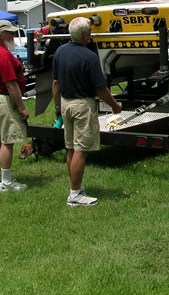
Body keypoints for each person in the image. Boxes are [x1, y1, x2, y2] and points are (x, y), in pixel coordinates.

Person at [52, 16, 122, 207]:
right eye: (90, 31)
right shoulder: (89, 57)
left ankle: (76, 186)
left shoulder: (60, 52)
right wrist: (115, 106)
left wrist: (57, 107)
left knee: (71, 147)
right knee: (81, 151)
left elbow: (55, 83)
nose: (91, 33)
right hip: (82, 106)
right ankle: (74, 195)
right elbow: (101, 89)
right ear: (84, 35)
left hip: (66, 104)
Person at [0, 19, 30, 192]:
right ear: (1, 36)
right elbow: (11, 84)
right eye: (10, 33)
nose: (13, 36)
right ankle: (6, 181)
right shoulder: (2, 54)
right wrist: (22, 107)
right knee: (7, 141)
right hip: (3, 99)